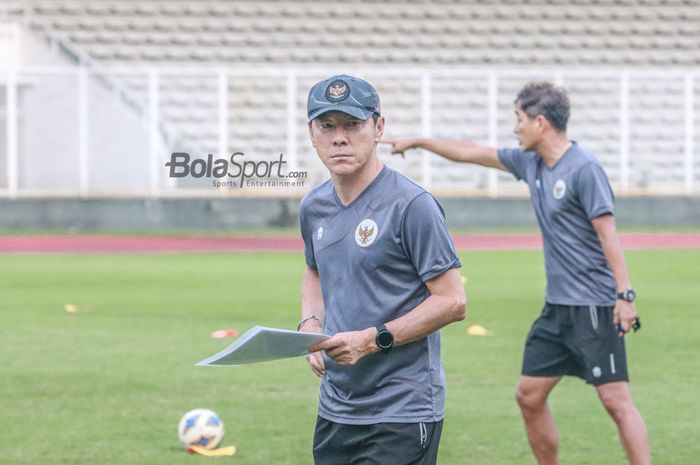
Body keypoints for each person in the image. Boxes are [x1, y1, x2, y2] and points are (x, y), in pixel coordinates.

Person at [385, 82, 651, 465]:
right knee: (528, 395)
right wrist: (420, 140)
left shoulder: (585, 169)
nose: (515, 128)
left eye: (519, 119)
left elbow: (608, 236)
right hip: (556, 310)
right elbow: (471, 152)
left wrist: (625, 297)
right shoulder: (531, 163)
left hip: (593, 306)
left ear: (540, 122)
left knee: (616, 401)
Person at [298, 74, 467, 465]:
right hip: (336, 408)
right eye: (327, 126)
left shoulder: (413, 205)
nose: (339, 137)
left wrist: (370, 341)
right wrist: (310, 324)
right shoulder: (313, 207)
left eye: (353, 125)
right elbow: (314, 270)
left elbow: (453, 302)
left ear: (379, 128)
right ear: (312, 133)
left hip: (402, 410)